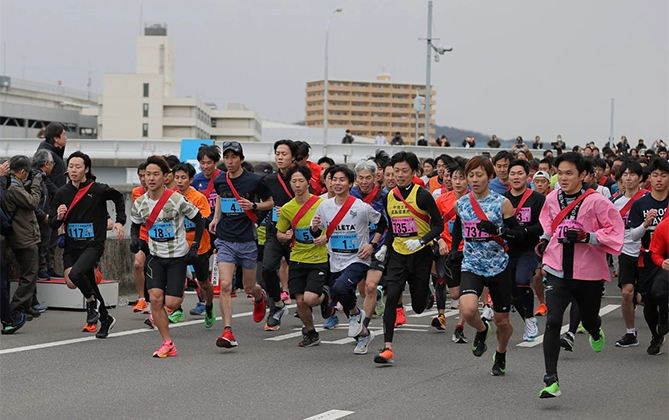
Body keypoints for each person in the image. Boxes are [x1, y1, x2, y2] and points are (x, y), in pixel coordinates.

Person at [536, 152, 624, 398]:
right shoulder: (552, 198)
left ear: (583, 175)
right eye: (559, 173)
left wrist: (589, 236)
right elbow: (548, 222)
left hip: (588, 272)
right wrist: (544, 240)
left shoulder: (597, 201)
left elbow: (615, 230)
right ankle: (551, 379)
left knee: (589, 318)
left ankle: (595, 330)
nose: (562, 178)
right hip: (556, 268)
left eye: (569, 173)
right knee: (553, 321)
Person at [451, 156, 523, 376]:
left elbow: (518, 235)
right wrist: (455, 250)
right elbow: (458, 229)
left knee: (503, 322)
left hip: (498, 267)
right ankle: (482, 330)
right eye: (470, 175)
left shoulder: (502, 203)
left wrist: (497, 230)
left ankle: (500, 353)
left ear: (490, 177)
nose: (474, 180)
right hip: (472, 264)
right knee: (468, 309)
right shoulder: (461, 203)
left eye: (479, 175)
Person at [130, 155, 205, 356]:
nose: (151, 178)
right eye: (147, 175)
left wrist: (194, 247)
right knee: (155, 299)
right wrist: (135, 240)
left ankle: (188, 280)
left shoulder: (177, 199)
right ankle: (168, 342)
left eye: (156, 174)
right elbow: (135, 224)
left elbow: (199, 220)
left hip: (178, 257)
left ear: (166, 177)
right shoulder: (140, 203)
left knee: (171, 303)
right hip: (155, 256)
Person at [373, 152, 443, 364]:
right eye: (396, 171)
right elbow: (394, 226)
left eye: (405, 171)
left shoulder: (422, 195)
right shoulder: (388, 196)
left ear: (414, 172)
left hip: (420, 255)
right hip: (398, 254)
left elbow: (438, 225)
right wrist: (385, 247)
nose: (399, 175)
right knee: (392, 296)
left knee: (420, 305)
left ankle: (427, 295)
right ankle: (387, 348)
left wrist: (422, 241)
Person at [49, 151, 126, 338]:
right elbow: (52, 224)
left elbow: (118, 197)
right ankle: (106, 319)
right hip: (71, 245)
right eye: (71, 166)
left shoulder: (97, 189)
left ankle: (91, 302)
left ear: (86, 169)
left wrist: (119, 221)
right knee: (75, 281)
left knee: (76, 274)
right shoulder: (62, 193)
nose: (74, 170)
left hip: (93, 244)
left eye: (78, 166)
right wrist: (58, 217)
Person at [311, 165, 383, 354]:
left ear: (351, 183)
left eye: (342, 179)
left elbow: (382, 223)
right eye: (334, 179)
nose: (337, 183)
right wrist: (316, 229)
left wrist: (372, 245)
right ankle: (363, 333)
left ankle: (356, 315)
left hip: (358, 259)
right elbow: (317, 231)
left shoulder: (360, 207)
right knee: (341, 293)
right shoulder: (324, 205)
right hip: (335, 259)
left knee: (340, 288)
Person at [210, 141, 273, 348]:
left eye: (233, 157)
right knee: (226, 285)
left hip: (247, 240)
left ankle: (259, 295)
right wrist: (216, 218)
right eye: (226, 157)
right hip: (226, 238)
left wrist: (253, 205)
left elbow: (270, 202)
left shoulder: (254, 181)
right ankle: (227, 331)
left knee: (248, 286)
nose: (229, 161)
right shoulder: (220, 180)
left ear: (241, 159)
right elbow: (220, 196)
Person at [276, 165, 328, 346]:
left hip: (318, 257)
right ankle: (312, 333)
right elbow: (279, 233)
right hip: (297, 257)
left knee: (310, 299)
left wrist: (324, 237)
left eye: (301, 181)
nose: (297, 185)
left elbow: (332, 228)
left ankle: (325, 297)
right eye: (293, 181)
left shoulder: (321, 204)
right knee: (300, 302)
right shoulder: (287, 208)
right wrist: (286, 236)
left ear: (308, 182)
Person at [628, 157, 669, 355]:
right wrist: (645, 224)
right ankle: (656, 335)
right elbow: (633, 236)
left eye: (663, 175)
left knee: (660, 292)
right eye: (655, 175)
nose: (659, 179)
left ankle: (665, 316)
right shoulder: (640, 204)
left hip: (667, 259)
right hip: (648, 257)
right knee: (647, 301)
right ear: (649, 179)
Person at [504, 160, 545, 341]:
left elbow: (543, 225)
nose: (516, 177)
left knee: (522, 280)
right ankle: (528, 319)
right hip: (508, 250)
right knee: (512, 293)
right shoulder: (502, 199)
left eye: (520, 173)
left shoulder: (537, 199)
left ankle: (529, 320)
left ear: (528, 176)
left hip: (529, 249)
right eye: (512, 173)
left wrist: (525, 231)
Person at [350, 159, 387, 353]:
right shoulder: (349, 195)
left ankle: (363, 329)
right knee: (362, 290)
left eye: (368, 178)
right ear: (355, 179)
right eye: (361, 178)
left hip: (377, 247)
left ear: (375, 177)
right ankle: (376, 300)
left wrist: (376, 245)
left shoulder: (384, 196)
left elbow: (388, 223)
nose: (364, 181)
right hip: (353, 249)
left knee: (371, 287)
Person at [172, 163, 215, 328]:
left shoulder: (198, 197)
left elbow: (202, 220)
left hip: (199, 246)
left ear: (191, 179)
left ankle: (209, 305)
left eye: (184, 178)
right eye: (177, 177)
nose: (180, 181)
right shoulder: (171, 196)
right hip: (178, 245)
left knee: (204, 283)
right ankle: (177, 310)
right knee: (177, 280)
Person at [611, 160, 648, 348]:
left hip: (646, 251)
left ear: (640, 178)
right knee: (627, 293)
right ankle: (630, 333)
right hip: (625, 250)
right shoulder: (615, 203)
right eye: (625, 174)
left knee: (645, 297)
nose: (628, 177)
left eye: (632, 174)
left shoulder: (649, 199)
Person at [262, 139, 298, 331]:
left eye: (284, 153)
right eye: (277, 153)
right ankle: (276, 304)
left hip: (298, 235)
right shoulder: (269, 180)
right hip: (275, 232)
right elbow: (262, 203)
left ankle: (324, 303)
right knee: (267, 269)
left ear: (293, 157)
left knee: (300, 279)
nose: (280, 157)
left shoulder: (301, 178)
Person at [2, 155, 43, 320]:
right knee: (30, 274)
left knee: (28, 273)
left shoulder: (10, 184)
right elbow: (32, 202)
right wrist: (36, 183)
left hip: (21, 234)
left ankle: (24, 308)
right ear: (23, 171)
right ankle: (15, 308)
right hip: (24, 236)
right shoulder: (13, 187)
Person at [434, 160, 468, 342]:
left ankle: (459, 326)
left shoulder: (474, 200)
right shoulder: (441, 200)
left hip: (470, 251)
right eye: (455, 178)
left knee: (465, 292)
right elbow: (434, 224)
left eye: (462, 178)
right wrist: (439, 241)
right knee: (455, 293)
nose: (458, 182)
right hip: (448, 250)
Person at [36, 122, 67, 279]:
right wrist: (59, 192)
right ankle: (43, 268)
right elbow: (43, 177)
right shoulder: (45, 153)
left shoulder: (55, 151)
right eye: (64, 135)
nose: (66, 138)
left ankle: (49, 266)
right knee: (45, 237)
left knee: (52, 237)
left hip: (55, 201)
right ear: (56, 138)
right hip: (47, 201)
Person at [131, 162, 150, 313]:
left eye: (146, 175)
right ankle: (141, 298)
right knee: (138, 264)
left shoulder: (164, 193)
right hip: (143, 235)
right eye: (141, 176)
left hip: (158, 238)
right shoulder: (136, 192)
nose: (143, 179)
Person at [648, 215, 669, 354]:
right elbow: (655, 253)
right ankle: (663, 315)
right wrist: (662, 262)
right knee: (655, 294)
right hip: (664, 269)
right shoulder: (663, 226)